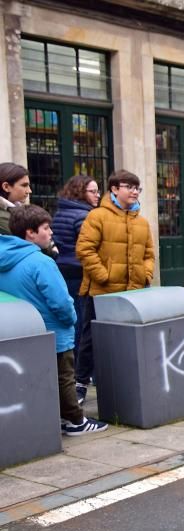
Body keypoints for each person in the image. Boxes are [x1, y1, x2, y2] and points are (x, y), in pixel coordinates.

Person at [0, 205, 108, 435]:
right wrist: (71, 319)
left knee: (37, 377)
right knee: (64, 378)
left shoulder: (5, 259)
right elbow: (61, 301)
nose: (51, 233)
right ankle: (76, 422)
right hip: (54, 330)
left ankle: (49, 417)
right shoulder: (42, 262)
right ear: (30, 233)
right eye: (46, 228)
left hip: (24, 331)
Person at [75, 169, 155, 404]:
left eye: (136, 187)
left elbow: (149, 254)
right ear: (113, 189)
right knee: (90, 340)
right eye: (128, 186)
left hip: (133, 291)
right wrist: (103, 275)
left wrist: (146, 274)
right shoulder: (97, 216)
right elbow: (85, 250)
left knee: (127, 339)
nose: (133, 191)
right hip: (101, 291)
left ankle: (123, 382)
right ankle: (80, 384)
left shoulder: (141, 221)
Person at [51, 175, 99, 359]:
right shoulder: (84, 216)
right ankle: (82, 362)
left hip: (63, 269)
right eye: (92, 191)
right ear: (80, 192)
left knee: (73, 317)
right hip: (80, 271)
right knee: (82, 319)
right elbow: (88, 247)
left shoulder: (61, 212)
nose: (97, 195)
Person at [0, 162, 30, 235]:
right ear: (6, 187)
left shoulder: (17, 208)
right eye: (24, 185)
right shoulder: (3, 216)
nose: (29, 191)